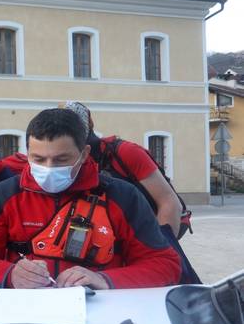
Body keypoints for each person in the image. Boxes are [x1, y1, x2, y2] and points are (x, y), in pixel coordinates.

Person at [0, 108, 181, 295]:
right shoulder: (5, 194)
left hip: (103, 315)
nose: (48, 168)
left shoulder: (123, 196)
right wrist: (9, 274)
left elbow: (165, 264)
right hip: (27, 314)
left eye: (61, 159)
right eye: (38, 159)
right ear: (27, 152)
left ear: (84, 154)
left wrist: (105, 280)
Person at [64, 101, 186, 238]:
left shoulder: (126, 152)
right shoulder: (67, 160)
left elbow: (169, 202)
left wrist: (163, 249)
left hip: (149, 230)